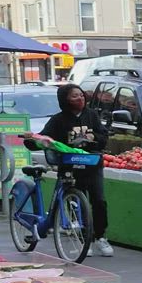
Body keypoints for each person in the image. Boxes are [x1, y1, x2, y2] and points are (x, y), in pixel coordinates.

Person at [41, 84, 111, 257]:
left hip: (92, 165)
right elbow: (44, 137)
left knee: (99, 201)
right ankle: (83, 239)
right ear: (65, 100)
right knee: (75, 203)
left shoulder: (92, 116)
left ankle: (101, 237)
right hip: (70, 167)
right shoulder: (58, 120)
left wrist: (94, 137)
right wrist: (33, 140)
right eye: (74, 96)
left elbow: (104, 137)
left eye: (81, 95)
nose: (80, 98)